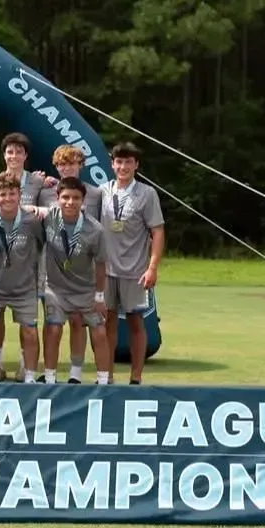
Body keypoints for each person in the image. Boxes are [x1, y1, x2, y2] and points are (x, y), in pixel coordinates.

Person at [34, 144, 105, 383]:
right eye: (62, 164)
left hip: (83, 267)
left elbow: (98, 229)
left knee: (78, 322)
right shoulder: (46, 191)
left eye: (71, 163)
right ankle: (50, 373)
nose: (67, 168)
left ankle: (76, 373)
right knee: (52, 323)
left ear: (81, 165)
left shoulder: (96, 193)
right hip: (54, 268)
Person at [99, 142, 165, 385]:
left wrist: (152, 267)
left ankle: (136, 377)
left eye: (128, 162)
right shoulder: (102, 191)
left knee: (136, 321)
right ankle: (106, 376)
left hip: (135, 270)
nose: (123, 167)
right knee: (107, 322)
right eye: (119, 162)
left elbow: (157, 231)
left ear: (136, 165)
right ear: (112, 164)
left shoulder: (147, 194)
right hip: (106, 270)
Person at [0, 132, 49, 378]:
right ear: (4, 155)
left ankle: (25, 364)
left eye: (19, 152)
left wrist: (34, 208)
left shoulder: (37, 181)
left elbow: (48, 209)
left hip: (27, 255)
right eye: (10, 152)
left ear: (26, 155)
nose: (14, 156)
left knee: (27, 317)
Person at [0, 173, 45, 383]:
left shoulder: (31, 221)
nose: (8, 198)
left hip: (24, 287)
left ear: (19, 195)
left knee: (30, 332)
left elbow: (41, 245)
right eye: (3, 194)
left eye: (12, 194)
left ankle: (30, 376)